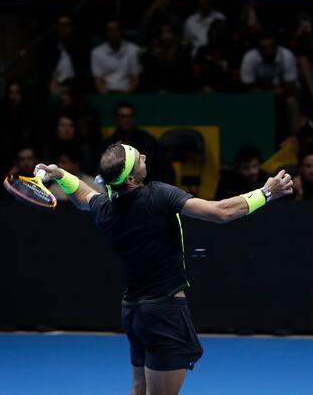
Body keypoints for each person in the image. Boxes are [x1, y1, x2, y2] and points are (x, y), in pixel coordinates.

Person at [36, 143, 293, 395]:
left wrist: (60, 175)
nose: (145, 156)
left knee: (139, 390)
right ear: (133, 177)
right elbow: (221, 212)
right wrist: (267, 192)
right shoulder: (157, 195)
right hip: (164, 315)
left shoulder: (105, 207)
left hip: (134, 312)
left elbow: (83, 196)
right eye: (139, 158)